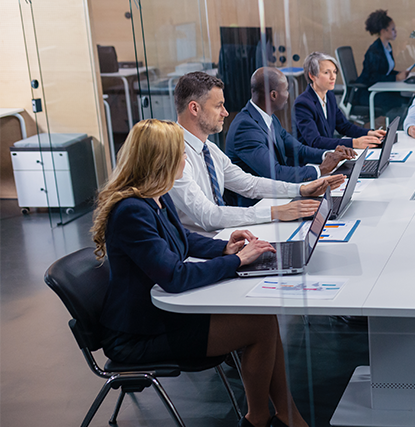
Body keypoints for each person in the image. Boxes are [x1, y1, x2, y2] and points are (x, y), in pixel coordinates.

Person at [92, 119, 310, 427]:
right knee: (260, 327)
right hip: (138, 335)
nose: (185, 159)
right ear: (161, 160)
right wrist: (236, 262)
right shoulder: (131, 211)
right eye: (179, 154)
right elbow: (175, 277)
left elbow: (181, 237)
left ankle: (287, 415)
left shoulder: (154, 196)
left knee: (265, 317)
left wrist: (223, 248)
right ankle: (259, 418)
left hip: (158, 318)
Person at [169, 71, 344, 232]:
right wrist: (275, 212)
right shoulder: (174, 156)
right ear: (194, 108)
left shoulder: (210, 149)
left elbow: (249, 184)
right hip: (201, 250)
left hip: (225, 235)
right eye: (218, 106)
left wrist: (301, 190)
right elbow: (208, 216)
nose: (226, 113)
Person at [225, 67, 355, 201]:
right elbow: (275, 173)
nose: (288, 95)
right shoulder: (245, 128)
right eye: (286, 90)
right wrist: (320, 170)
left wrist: (328, 155)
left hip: (279, 194)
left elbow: (298, 149)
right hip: (258, 204)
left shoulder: (269, 118)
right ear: (273, 95)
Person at [294, 52, 385, 150]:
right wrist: (354, 143)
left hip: (327, 156)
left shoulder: (329, 96)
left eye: (334, 72)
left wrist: (369, 133)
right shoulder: (303, 104)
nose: (333, 77)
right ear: (312, 76)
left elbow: (344, 126)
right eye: (326, 72)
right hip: (309, 161)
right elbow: (315, 141)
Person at [355, 9, 411, 114]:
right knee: (403, 103)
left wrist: (399, 74)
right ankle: (398, 129)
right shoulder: (374, 51)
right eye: (393, 29)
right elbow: (373, 78)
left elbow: (385, 71)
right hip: (367, 93)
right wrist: (396, 78)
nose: (396, 32)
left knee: (408, 100)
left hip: (380, 90)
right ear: (383, 31)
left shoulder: (387, 47)